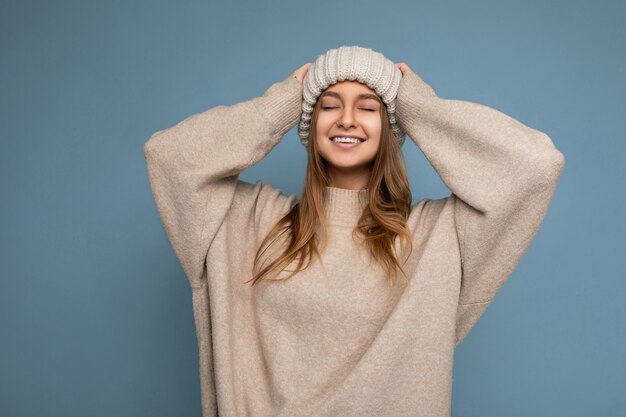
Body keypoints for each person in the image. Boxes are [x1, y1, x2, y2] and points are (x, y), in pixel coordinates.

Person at [143, 45, 565, 416]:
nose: (346, 119)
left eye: (368, 107)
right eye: (328, 106)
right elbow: (167, 157)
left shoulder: (438, 237)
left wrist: (418, 108)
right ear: (310, 124)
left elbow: (536, 166)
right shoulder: (247, 222)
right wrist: (286, 103)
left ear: (390, 127)